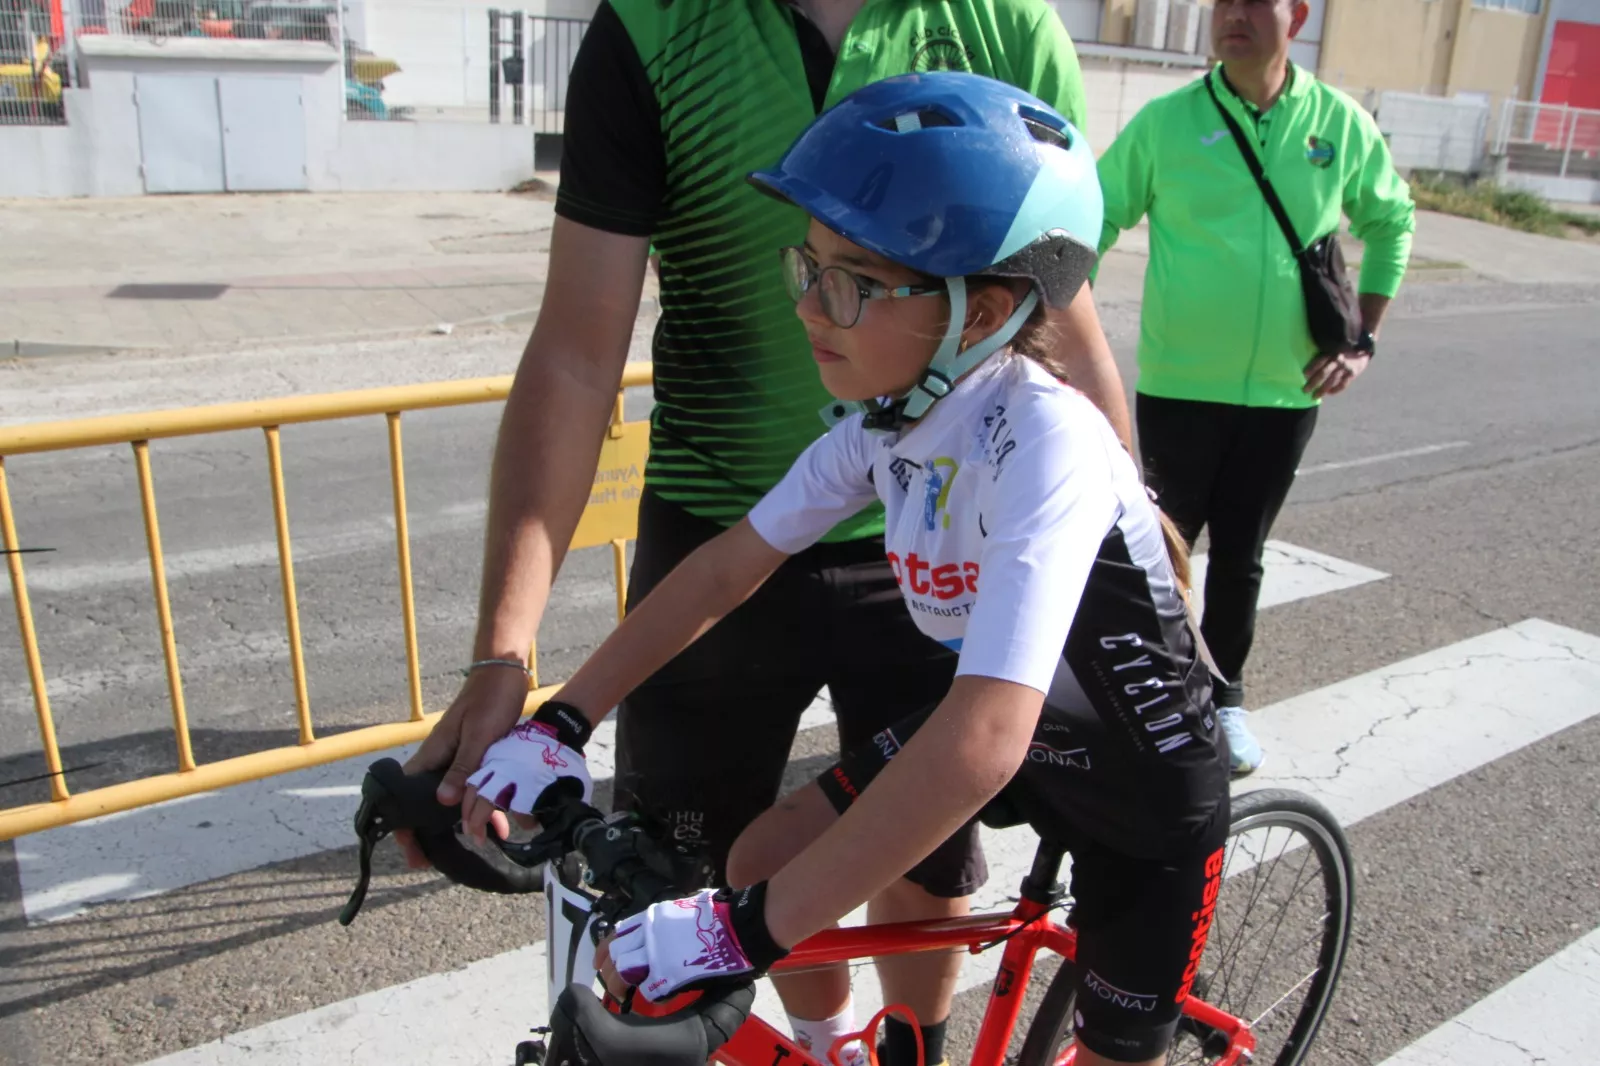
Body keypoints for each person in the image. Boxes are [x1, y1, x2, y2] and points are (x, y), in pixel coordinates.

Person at [399, 4, 1134, 1064]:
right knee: (726, 859)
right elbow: (704, 544)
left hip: (1044, 644)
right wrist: (550, 709)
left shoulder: (1039, 441)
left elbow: (1064, 310)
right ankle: (835, 1040)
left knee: (948, 887)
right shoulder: (870, 430)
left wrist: (1134, 522)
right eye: (805, 269)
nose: (809, 314)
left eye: (847, 284)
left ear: (977, 313)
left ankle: (914, 1044)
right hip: (728, 502)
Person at [1094, 0, 1415, 774]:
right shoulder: (1167, 123)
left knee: (1241, 558)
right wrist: (1067, 342)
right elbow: (1093, 218)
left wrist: (1362, 339)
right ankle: (1136, 700)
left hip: (1285, 395)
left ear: (1295, 14)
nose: (1233, 14)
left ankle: (1224, 699)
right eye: (1222, 2)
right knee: (1153, 556)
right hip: (1180, 388)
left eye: (1254, 0)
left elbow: (1391, 221)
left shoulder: (1336, 123)